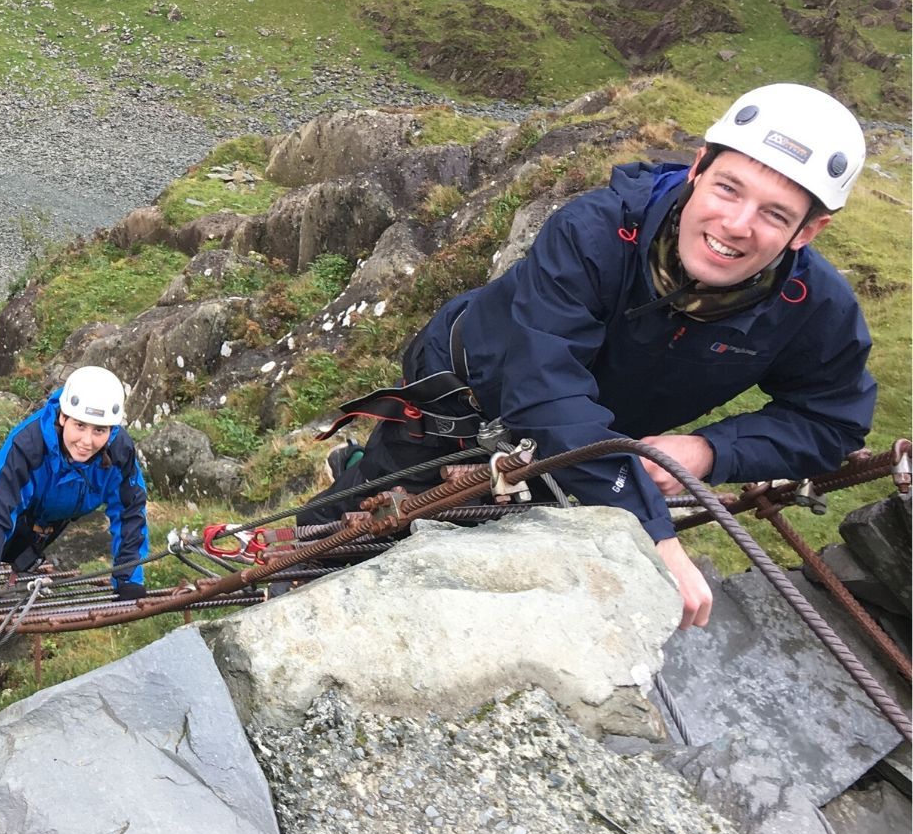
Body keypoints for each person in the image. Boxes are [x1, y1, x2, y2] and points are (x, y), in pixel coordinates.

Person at [308, 84, 875, 630]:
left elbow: (832, 420)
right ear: (697, 169)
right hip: (461, 404)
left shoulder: (813, 308)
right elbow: (544, 387)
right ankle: (286, 567)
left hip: (585, 442)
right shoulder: (597, 232)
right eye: (728, 188)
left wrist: (708, 450)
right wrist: (653, 531)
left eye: (775, 214)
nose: (736, 224)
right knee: (359, 521)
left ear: (809, 230)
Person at [0, 366, 150, 619]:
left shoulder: (119, 452)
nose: (87, 441)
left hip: (52, 506)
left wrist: (128, 580)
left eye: (99, 430)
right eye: (80, 426)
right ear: (63, 417)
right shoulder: (29, 445)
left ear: (111, 429)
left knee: (20, 553)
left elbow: (130, 513)